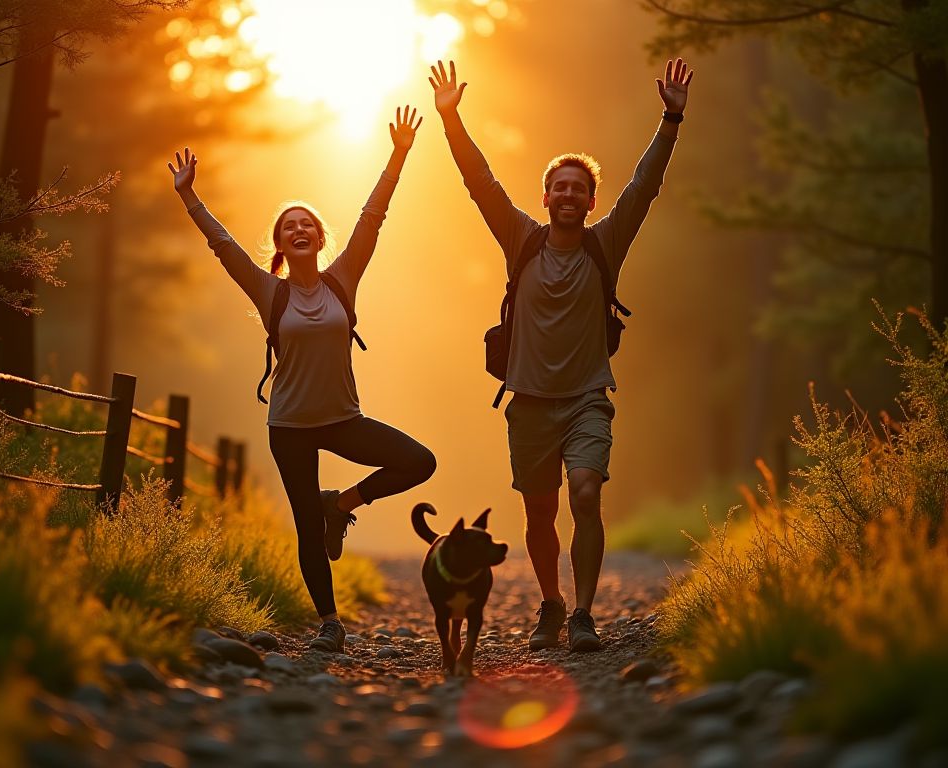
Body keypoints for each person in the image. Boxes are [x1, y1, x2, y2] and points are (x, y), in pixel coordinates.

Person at [429, 59, 692, 652]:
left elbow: (644, 187)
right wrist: (451, 118)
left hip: (586, 401)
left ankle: (583, 614)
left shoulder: (606, 243)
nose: (569, 194)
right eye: (560, 187)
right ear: (546, 197)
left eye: (580, 188)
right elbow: (480, 182)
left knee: (586, 494)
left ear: (591, 200)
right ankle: (550, 604)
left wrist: (670, 119)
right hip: (527, 403)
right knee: (541, 514)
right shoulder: (521, 240)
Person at [168, 105, 436, 653]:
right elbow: (223, 246)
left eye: (307, 224)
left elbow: (372, 218)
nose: (299, 230)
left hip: (342, 418)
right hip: (289, 425)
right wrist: (189, 197)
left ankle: (341, 505)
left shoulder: (342, 280)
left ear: (318, 237)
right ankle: (329, 623)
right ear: (281, 244)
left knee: (418, 462)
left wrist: (399, 153)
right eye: (289, 227)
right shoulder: (271, 293)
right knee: (304, 527)